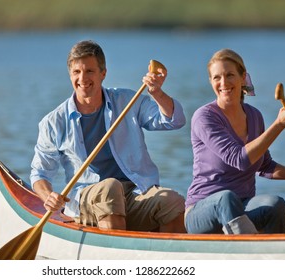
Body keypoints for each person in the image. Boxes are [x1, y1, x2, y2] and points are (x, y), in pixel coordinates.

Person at [30, 40, 187, 233]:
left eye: (89, 71)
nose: (82, 78)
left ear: (103, 73)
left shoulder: (128, 100)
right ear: (70, 74)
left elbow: (174, 120)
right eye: (76, 72)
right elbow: (40, 174)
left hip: (134, 193)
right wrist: (48, 196)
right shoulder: (54, 122)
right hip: (86, 199)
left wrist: (157, 93)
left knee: (173, 202)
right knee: (110, 187)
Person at [185, 48, 285, 234]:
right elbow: (240, 159)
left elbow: (266, 166)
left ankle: (279, 255)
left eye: (230, 75)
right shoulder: (204, 117)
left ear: (243, 77)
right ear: (211, 81)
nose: (223, 83)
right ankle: (251, 251)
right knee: (225, 199)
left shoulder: (254, 116)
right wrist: (278, 125)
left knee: (275, 205)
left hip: (242, 206)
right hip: (202, 213)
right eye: (216, 77)